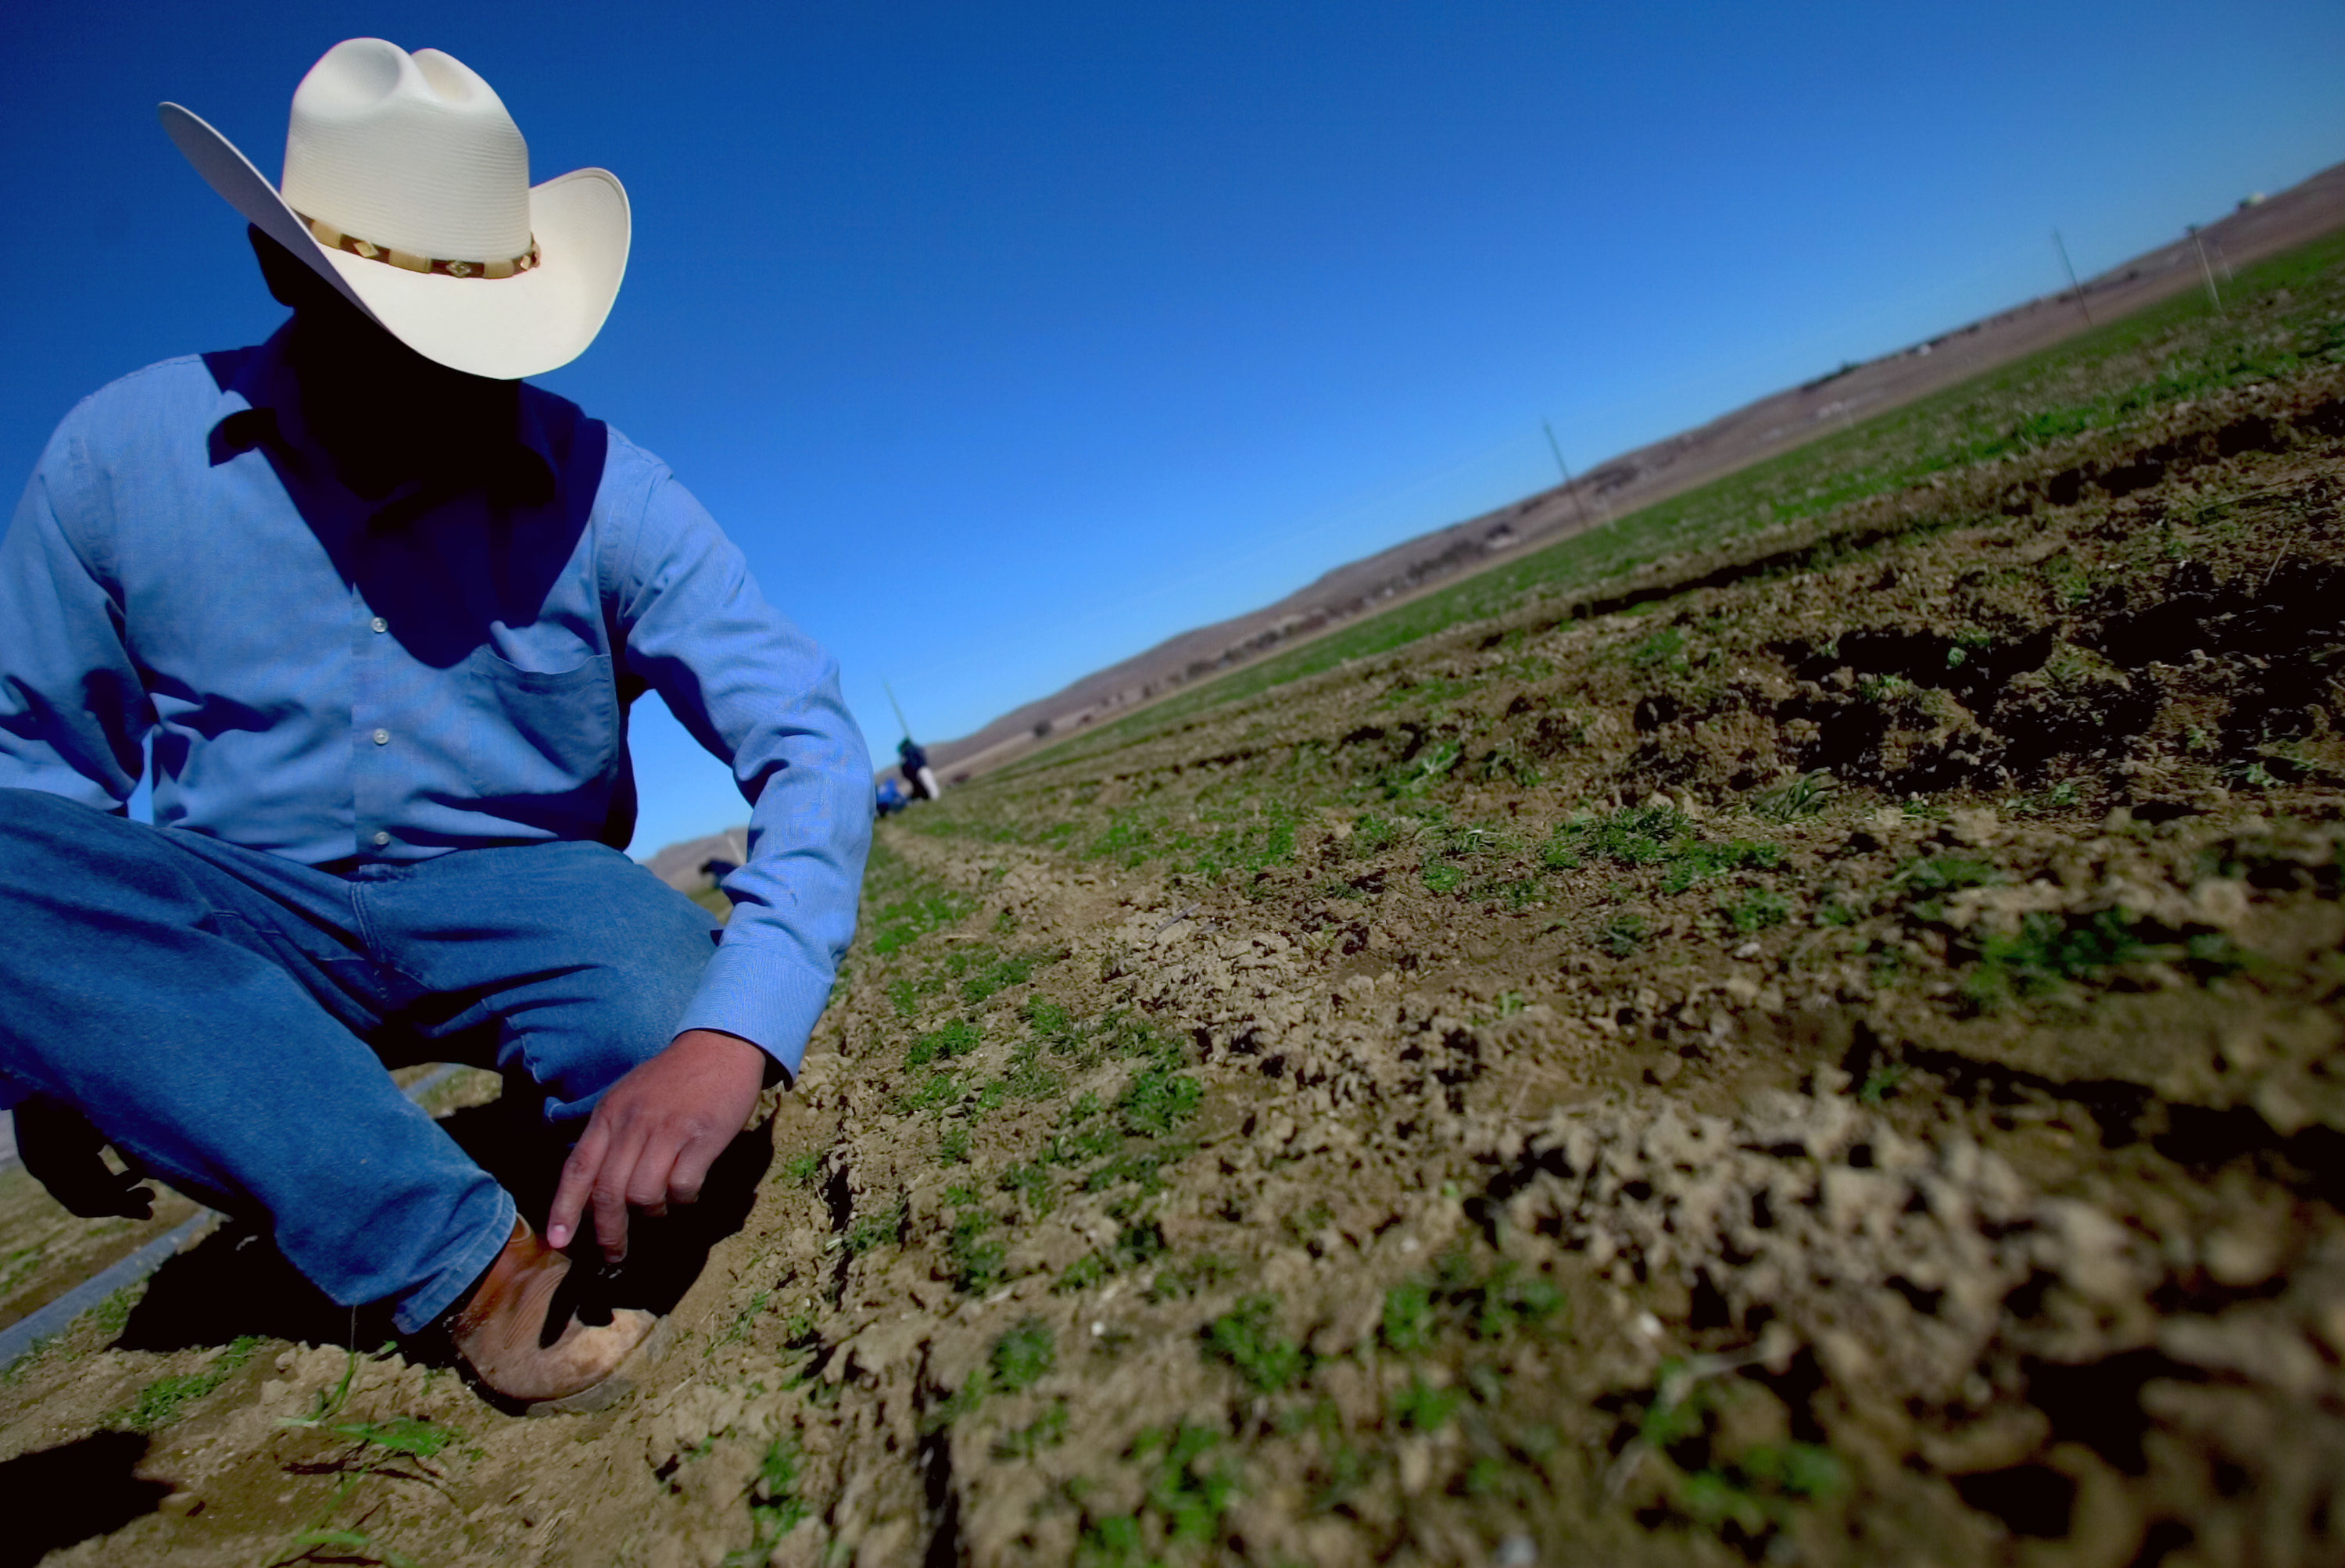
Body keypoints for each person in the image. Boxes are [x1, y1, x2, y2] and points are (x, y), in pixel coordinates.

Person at [0, 41, 871, 1405]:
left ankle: (560, 1108)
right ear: (287, 273)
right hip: (249, 913)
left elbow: (808, 736)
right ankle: (464, 1263)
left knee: (663, 1008)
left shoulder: (608, 491)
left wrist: (727, 1039)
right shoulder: (116, 462)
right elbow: (43, 786)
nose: (464, 381)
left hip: (525, 901)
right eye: (409, 335)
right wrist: (55, 1037)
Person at [897, 737, 943, 802]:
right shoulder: (916, 748)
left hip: (919, 770)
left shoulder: (908, 752)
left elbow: (911, 763)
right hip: (923, 767)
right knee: (929, 783)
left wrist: (914, 769)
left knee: (927, 783)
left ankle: (934, 797)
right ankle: (934, 796)